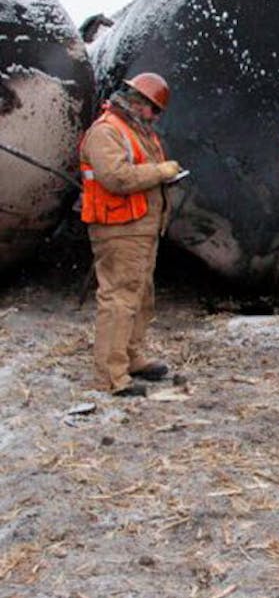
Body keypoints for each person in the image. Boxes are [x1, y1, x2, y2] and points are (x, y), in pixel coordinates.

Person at [78, 72, 183, 397]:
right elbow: (116, 178)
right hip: (119, 228)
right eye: (154, 110)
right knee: (119, 298)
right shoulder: (107, 131)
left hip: (141, 228)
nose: (155, 117)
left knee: (140, 295)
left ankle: (131, 357)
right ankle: (111, 376)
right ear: (139, 103)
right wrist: (160, 172)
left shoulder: (138, 132)